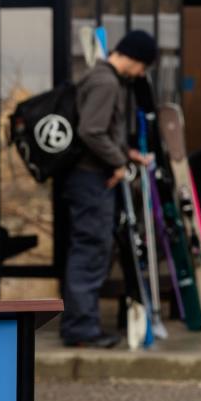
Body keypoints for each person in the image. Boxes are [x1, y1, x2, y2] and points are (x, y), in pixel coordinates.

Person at [60, 30, 157, 349]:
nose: (141, 74)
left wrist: (126, 154)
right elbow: (91, 130)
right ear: (134, 58)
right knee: (90, 249)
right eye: (143, 66)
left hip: (87, 177)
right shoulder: (106, 82)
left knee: (90, 248)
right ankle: (81, 328)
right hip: (92, 181)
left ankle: (80, 323)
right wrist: (118, 162)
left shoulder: (99, 77)